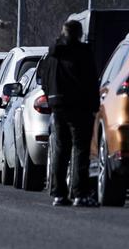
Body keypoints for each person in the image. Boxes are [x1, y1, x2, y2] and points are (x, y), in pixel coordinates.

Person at [36, 20, 99, 207]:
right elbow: (90, 81)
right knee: (80, 150)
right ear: (79, 34)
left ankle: (59, 193)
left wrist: (51, 98)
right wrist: (94, 105)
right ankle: (80, 193)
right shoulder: (83, 52)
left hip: (58, 106)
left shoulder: (52, 54)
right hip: (79, 107)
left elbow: (45, 80)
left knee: (60, 150)